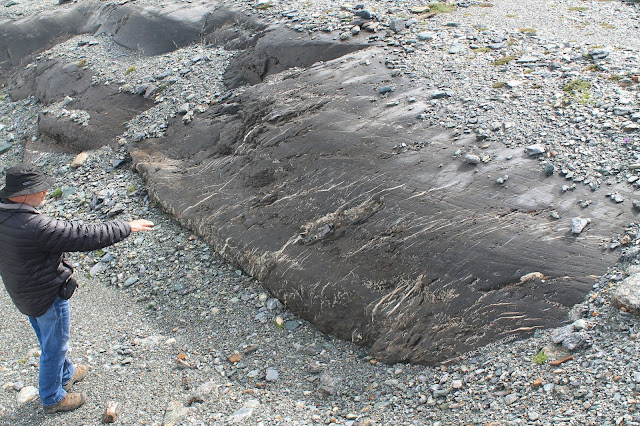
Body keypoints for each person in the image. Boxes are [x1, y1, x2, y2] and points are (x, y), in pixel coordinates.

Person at [0, 163, 154, 414]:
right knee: (55, 346)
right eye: (41, 189)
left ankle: (66, 374)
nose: (46, 193)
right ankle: (52, 397)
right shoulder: (35, 226)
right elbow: (82, 235)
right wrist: (126, 226)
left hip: (22, 292)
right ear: (25, 193)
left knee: (48, 339)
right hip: (46, 296)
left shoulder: (4, 214)